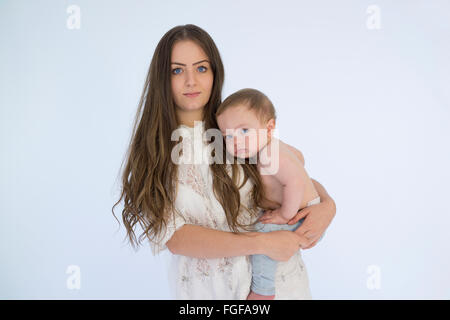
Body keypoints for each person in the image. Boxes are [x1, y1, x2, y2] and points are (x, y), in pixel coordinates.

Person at [112, 24, 336, 299]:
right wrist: (262, 242)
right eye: (177, 70)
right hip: (209, 293)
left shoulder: (238, 130)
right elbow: (175, 238)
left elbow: (290, 173)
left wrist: (327, 206)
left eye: (201, 68)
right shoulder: (155, 151)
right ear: (162, 78)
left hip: (282, 288)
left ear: (215, 72)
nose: (191, 81)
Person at [216, 88, 324, 300]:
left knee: (263, 232)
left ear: (269, 127)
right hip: (307, 208)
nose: (235, 141)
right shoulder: (274, 148)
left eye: (244, 131)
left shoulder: (268, 155)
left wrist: (284, 214)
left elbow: (294, 183)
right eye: (228, 136)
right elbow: (300, 157)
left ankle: (263, 291)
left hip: (301, 216)